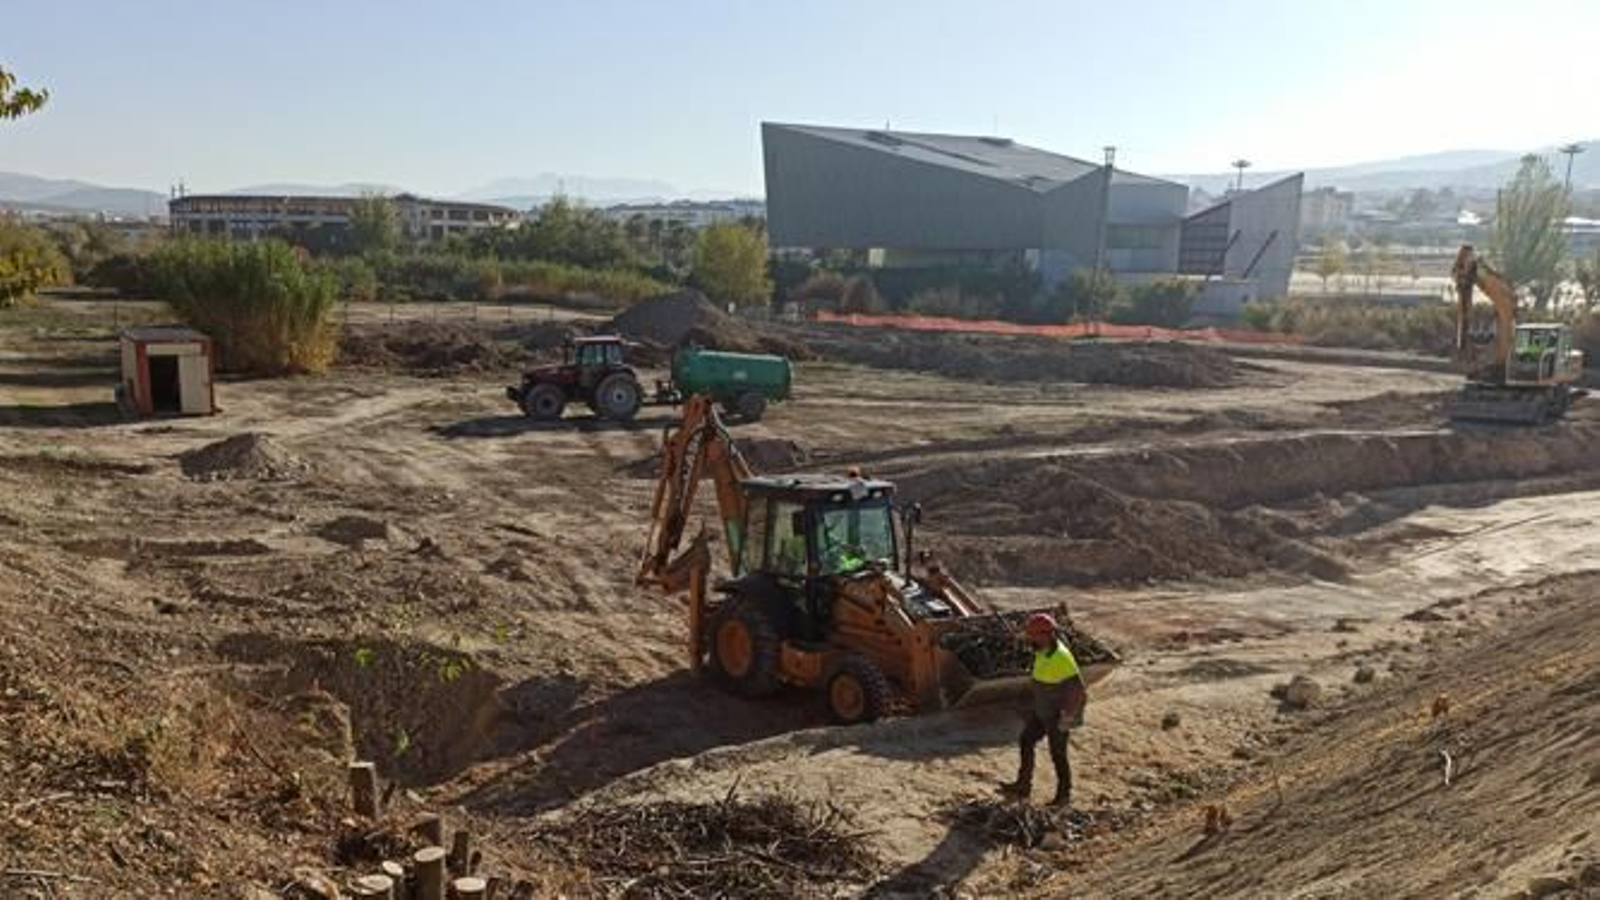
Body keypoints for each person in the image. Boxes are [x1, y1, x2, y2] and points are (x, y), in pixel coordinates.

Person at [1000, 612, 1087, 807]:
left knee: (1058, 755)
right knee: (1026, 740)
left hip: (1057, 715)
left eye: (1032, 635)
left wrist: (1068, 718)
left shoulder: (1061, 658)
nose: (1029, 639)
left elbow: (1079, 691)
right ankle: (1023, 785)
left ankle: (1063, 796)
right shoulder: (1042, 648)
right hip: (1042, 710)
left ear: (1046, 634)